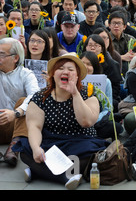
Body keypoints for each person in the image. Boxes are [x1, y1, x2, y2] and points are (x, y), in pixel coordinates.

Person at [13, 53, 108, 189]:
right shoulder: (40, 97)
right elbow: (35, 127)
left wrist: (75, 93)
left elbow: (86, 122)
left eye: (70, 69)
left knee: (92, 155)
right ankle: (65, 176)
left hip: (80, 142)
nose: (65, 72)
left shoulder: (87, 94)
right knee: (25, 149)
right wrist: (36, 148)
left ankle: (38, 171)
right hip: (50, 143)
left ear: (77, 75)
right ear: (52, 74)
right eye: (61, 68)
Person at [0, 38, 40, 167]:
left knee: (26, 102)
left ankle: (13, 150)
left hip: (18, 126)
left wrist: (16, 113)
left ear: (15, 58)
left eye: (1, 54)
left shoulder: (26, 74)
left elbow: (35, 96)